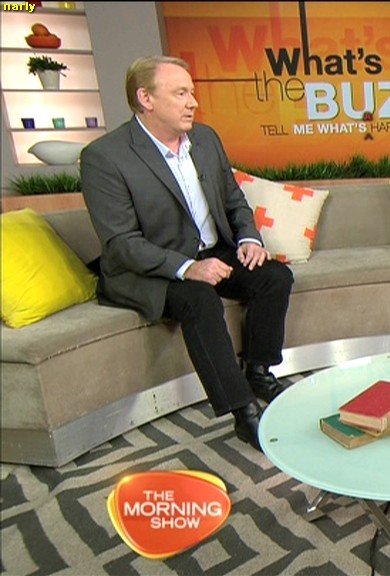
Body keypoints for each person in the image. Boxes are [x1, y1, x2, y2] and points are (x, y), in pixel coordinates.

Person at [80, 56, 294, 453]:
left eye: (191, 92)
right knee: (199, 298)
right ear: (145, 98)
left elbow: (234, 199)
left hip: (211, 251)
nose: (193, 102)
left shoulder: (206, 139)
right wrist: (188, 267)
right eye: (180, 93)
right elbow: (121, 242)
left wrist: (249, 239)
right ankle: (244, 411)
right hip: (150, 268)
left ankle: (258, 371)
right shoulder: (105, 158)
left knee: (274, 277)